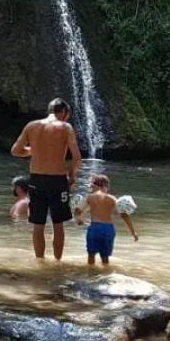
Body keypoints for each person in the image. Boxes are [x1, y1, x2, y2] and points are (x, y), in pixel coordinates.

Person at [10, 98, 83, 260]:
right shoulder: (65, 127)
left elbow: (15, 151)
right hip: (58, 180)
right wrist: (72, 174)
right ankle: (57, 261)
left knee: (38, 224)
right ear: (64, 113)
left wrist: (34, 150)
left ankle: (40, 262)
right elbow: (77, 159)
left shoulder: (32, 125)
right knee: (58, 224)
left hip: (36, 180)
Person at [75, 174, 137, 267]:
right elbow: (124, 216)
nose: (92, 188)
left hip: (95, 228)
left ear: (96, 186)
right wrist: (133, 232)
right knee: (105, 257)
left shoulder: (90, 197)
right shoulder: (112, 199)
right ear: (106, 186)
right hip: (108, 228)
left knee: (91, 255)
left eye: (92, 186)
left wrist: (79, 219)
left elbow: (77, 211)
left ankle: (90, 275)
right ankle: (105, 275)